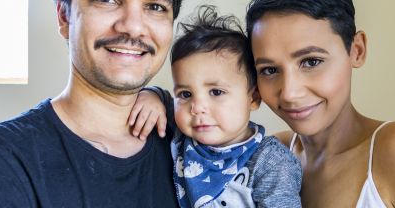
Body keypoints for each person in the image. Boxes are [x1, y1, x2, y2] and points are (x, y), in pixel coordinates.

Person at [0, 0, 183, 207]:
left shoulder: (194, 141)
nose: (133, 27)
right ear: (64, 16)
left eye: (155, 6)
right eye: (108, 0)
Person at [244, 0, 395, 207]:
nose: (290, 93)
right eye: (270, 70)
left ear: (357, 50)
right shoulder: (271, 155)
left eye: (311, 61)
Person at [128, 6, 301, 208]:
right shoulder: (181, 135)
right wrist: (151, 95)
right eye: (185, 94)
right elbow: (165, 100)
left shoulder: (270, 162)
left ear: (253, 98)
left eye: (216, 92)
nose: (197, 107)